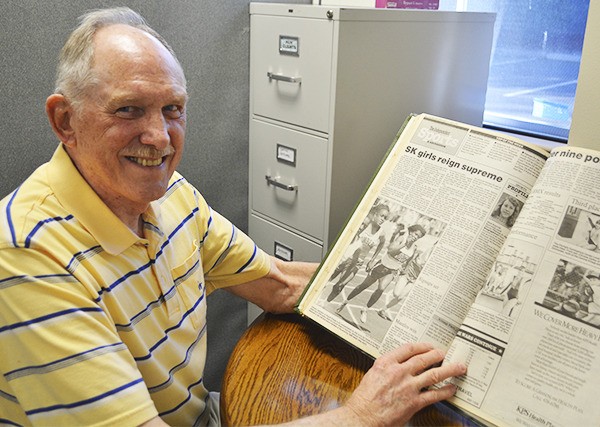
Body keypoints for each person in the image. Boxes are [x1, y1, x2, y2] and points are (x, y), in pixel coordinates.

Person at [0, 8, 466, 427]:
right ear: (65, 120)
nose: (160, 138)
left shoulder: (173, 197)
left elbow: (280, 282)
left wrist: (427, 309)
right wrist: (362, 416)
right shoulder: (26, 255)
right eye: (129, 109)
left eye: (173, 109)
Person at [336, 224, 426, 323]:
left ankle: (365, 309)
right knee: (363, 286)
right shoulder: (401, 239)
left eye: (418, 236)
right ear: (411, 231)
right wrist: (404, 245)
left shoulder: (415, 248)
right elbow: (390, 250)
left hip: (391, 271)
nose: (416, 237)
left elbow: (408, 261)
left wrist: (402, 269)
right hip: (382, 266)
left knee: (381, 289)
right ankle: (345, 302)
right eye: (415, 234)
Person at [325, 203, 389, 302]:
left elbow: (382, 244)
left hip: (358, 263)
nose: (383, 219)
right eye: (382, 216)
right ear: (375, 214)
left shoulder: (381, 233)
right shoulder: (364, 223)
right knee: (327, 278)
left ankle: (325, 303)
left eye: (385, 217)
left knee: (340, 285)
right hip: (346, 257)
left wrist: (372, 260)